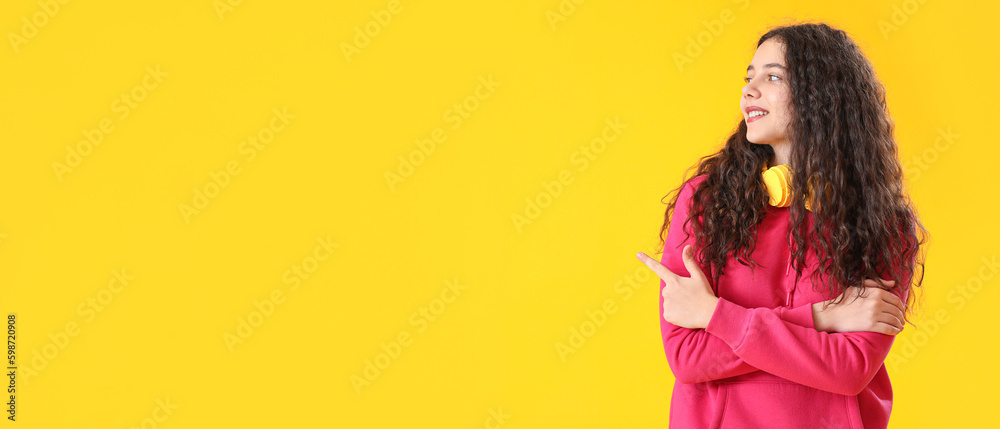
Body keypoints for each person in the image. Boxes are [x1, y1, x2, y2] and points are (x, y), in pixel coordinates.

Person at [635, 22, 928, 428]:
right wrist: (823, 317)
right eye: (749, 77)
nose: (749, 90)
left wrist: (716, 316)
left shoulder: (883, 224)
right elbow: (688, 359)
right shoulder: (706, 201)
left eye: (772, 77)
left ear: (823, 96)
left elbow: (849, 371)